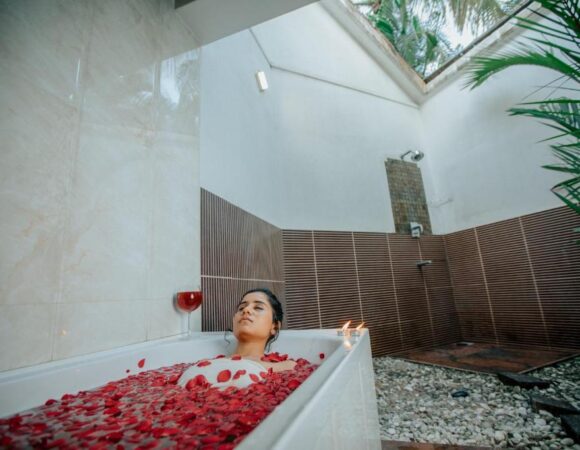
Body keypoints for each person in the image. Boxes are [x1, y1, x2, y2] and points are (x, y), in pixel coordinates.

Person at [177, 288, 296, 389]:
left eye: (258, 307)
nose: (246, 310)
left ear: (274, 326)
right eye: (241, 308)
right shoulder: (206, 362)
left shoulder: (287, 366)